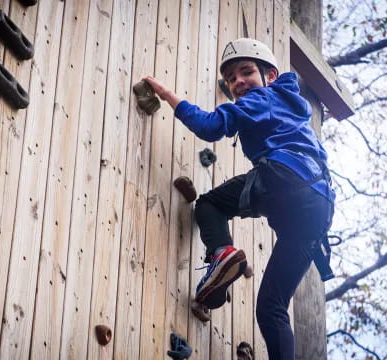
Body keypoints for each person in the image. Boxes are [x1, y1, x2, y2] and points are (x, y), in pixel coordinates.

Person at [143, 38, 335, 359]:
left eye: (246, 72)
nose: (238, 82)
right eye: (231, 79)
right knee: (272, 308)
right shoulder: (288, 105)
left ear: (270, 75)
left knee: (210, 204)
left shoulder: (263, 97)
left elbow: (210, 127)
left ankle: (222, 254)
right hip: (317, 207)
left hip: (286, 177)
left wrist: (168, 96)